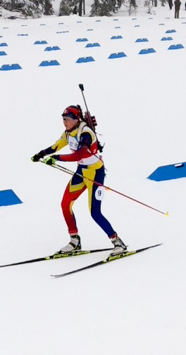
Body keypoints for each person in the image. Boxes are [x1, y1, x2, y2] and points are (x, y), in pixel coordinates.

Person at [31, 105, 127, 255]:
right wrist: (40, 154)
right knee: (65, 204)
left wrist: (56, 159)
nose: (65, 122)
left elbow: (79, 155)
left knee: (95, 213)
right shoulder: (68, 133)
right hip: (81, 173)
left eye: (68, 119)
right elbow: (56, 146)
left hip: (96, 174)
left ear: (77, 119)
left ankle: (117, 242)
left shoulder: (86, 133)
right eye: (63, 119)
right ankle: (74, 240)